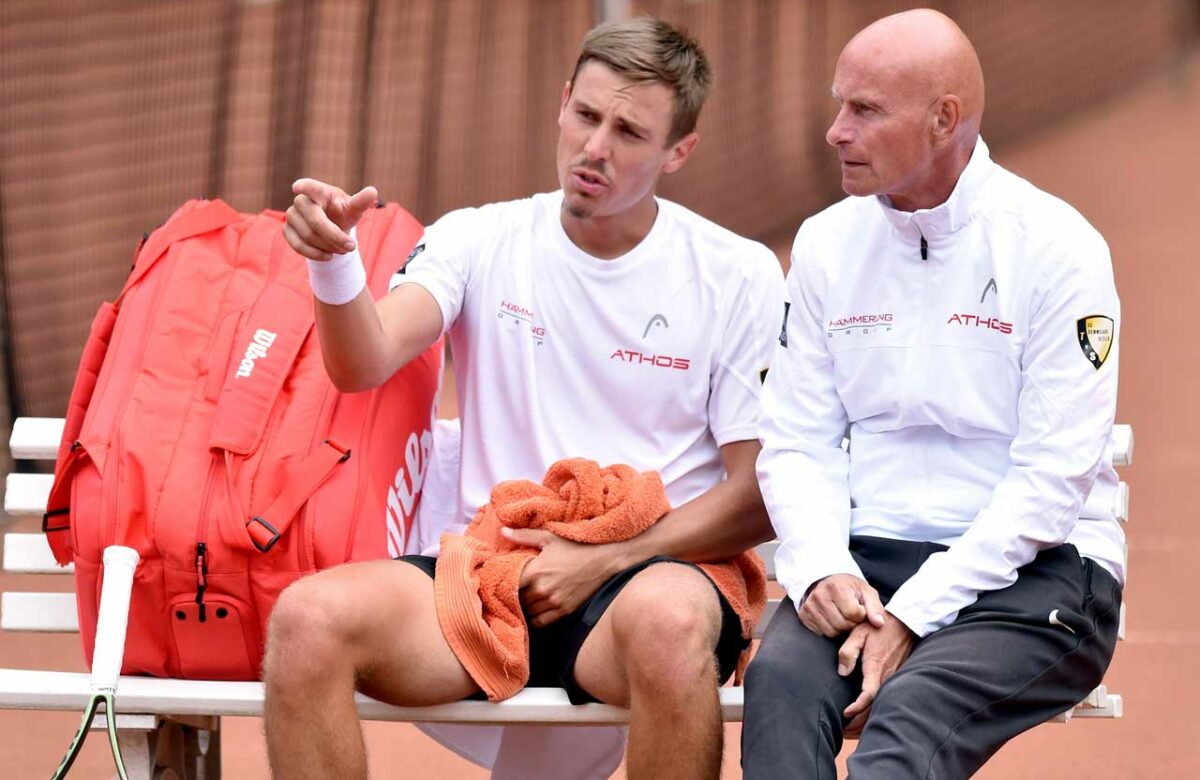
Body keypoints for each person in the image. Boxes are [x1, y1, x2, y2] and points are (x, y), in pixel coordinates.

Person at [268, 16, 785, 780]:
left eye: (630, 133)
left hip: (649, 579)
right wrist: (335, 268)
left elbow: (759, 495)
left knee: (672, 625)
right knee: (306, 622)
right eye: (586, 115)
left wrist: (604, 558)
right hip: (487, 576)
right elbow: (364, 360)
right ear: (563, 102)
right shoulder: (478, 238)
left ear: (680, 151)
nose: (595, 149)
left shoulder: (738, 274)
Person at [743, 9, 1124, 778]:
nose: (836, 132)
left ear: (944, 119)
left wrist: (917, 613)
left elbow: (1051, 484)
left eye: (866, 110)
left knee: (908, 721)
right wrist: (818, 567)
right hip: (866, 562)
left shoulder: (1058, 248)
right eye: (838, 104)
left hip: (1040, 571)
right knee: (779, 684)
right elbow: (797, 440)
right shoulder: (825, 244)